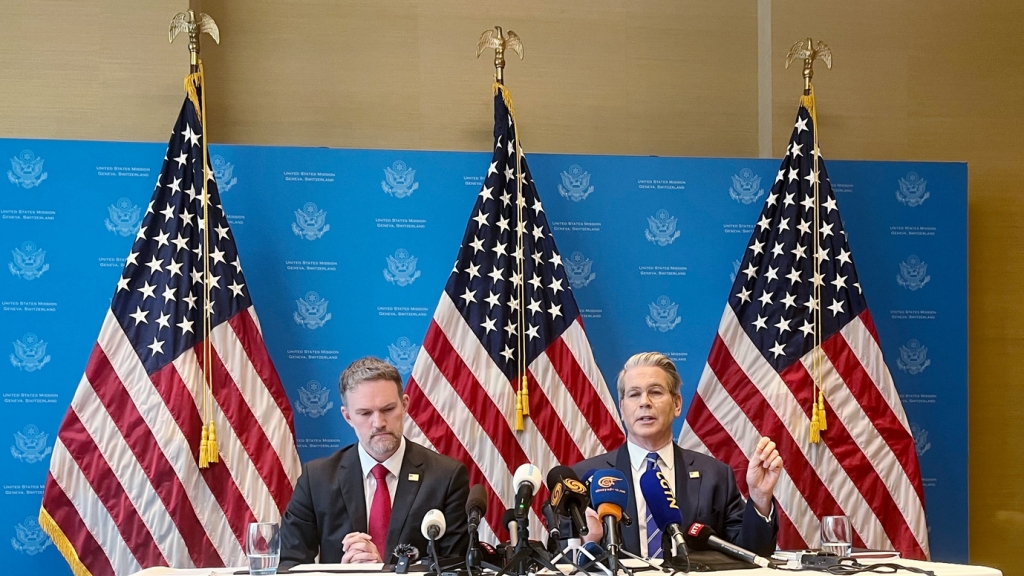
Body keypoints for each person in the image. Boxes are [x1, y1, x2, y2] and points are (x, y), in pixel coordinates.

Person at [572, 352, 782, 558]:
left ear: (677, 404)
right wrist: (588, 541)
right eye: (634, 394)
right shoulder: (584, 479)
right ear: (621, 408)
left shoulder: (715, 476)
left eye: (655, 392)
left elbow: (751, 554)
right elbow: (561, 559)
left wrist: (760, 498)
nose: (644, 402)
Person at [279, 357, 470, 568]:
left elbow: (456, 566)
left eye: (388, 409)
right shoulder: (317, 479)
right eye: (365, 413)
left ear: (404, 405)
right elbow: (289, 563)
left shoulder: (446, 477)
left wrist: (383, 569)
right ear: (348, 417)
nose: (379, 423)